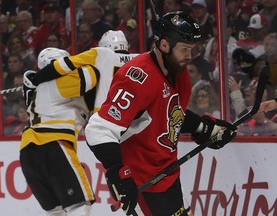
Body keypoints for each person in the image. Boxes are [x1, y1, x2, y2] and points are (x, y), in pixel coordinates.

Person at [84, 11, 237, 216]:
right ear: (164, 45)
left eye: (190, 49)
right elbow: (98, 130)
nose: (189, 56)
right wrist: (118, 175)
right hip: (143, 181)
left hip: (167, 174)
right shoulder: (138, 77)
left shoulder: (178, 72)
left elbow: (171, 114)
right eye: (184, 49)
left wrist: (204, 128)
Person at [19, 47, 98, 216]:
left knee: (56, 212)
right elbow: (94, 73)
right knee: (79, 204)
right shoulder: (60, 82)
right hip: (53, 145)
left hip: (28, 152)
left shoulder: (37, 89)